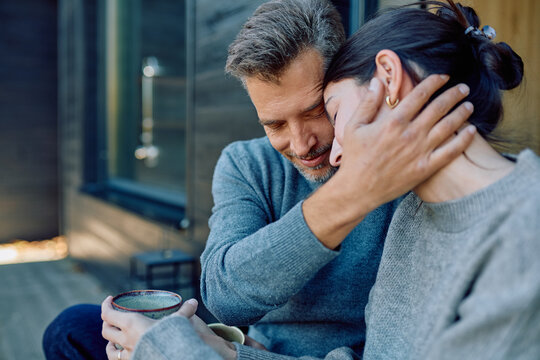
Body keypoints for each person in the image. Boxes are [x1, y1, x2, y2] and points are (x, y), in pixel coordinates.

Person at [100, 1, 540, 359]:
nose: (304, 143)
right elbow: (224, 296)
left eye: (321, 112)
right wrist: (230, 353)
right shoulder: (247, 164)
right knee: (78, 328)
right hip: (258, 346)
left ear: (383, 78)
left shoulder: (438, 202)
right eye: (274, 124)